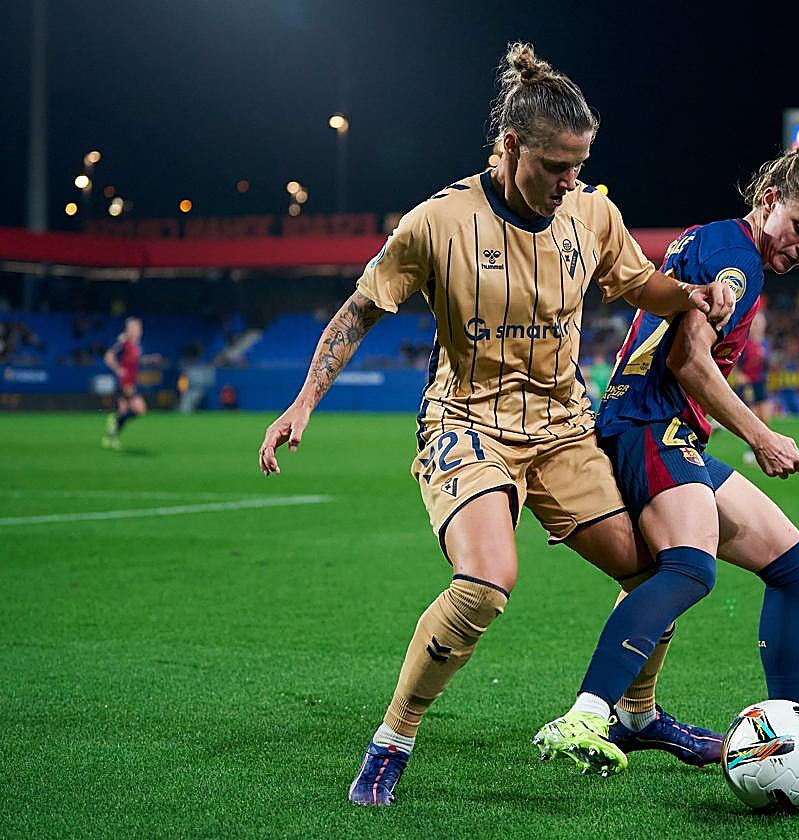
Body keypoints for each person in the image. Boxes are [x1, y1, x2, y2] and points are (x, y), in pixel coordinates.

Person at [257, 42, 737, 806]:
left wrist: (689, 296)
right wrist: (304, 400)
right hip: (467, 423)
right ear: (511, 147)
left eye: (579, 165)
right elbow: (360, 310)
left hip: (564, 430)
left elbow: (636, 281)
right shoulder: (438, 222)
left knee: (657, 575)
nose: (569, 181)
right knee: (485, 582)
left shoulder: (592, 213)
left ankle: (636, 715)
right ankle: (393, 739)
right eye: (556, 166)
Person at [535, 145, 799, 775]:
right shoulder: (736, 262)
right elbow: (689, 361)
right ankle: (587, 715)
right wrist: (761, 436)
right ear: (769, 200)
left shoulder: (719, 242)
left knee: (795, 564)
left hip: (663, 426)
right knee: (689, 568)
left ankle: (798, 737)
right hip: (648, 424)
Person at [102, 317, 161, 449]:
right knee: (140, 409)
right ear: (129, 329)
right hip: (125, 383)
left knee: (123, 412)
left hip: (131, 382)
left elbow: (136, 361)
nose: (139, 330)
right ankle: (114, 423)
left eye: (139, 328)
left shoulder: (136, 345)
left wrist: (150, 359)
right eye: (136, 328)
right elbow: (108, 356)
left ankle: (112, 437)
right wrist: (118, 369)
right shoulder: (124, 342)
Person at [735, 308, 771, 464]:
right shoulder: (745, 342)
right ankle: (752, 452)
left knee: (765, 419)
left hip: (761, 383)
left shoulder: (765, 343)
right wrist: (739, 375)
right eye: (756, 322)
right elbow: (735, 361)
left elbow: (765, 365)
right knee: (754, 418)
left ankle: (760, 450)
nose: (758, 325)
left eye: (761, 322)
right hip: (748, 384)